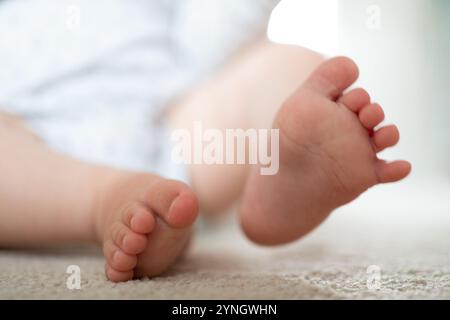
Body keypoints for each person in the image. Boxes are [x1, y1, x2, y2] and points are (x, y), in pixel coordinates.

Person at [0, 0, 410, 282]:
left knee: (291, 68)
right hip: (21, 131)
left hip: (169, 131)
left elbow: (204, 47)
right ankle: (104, 200)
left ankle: (280, 177)